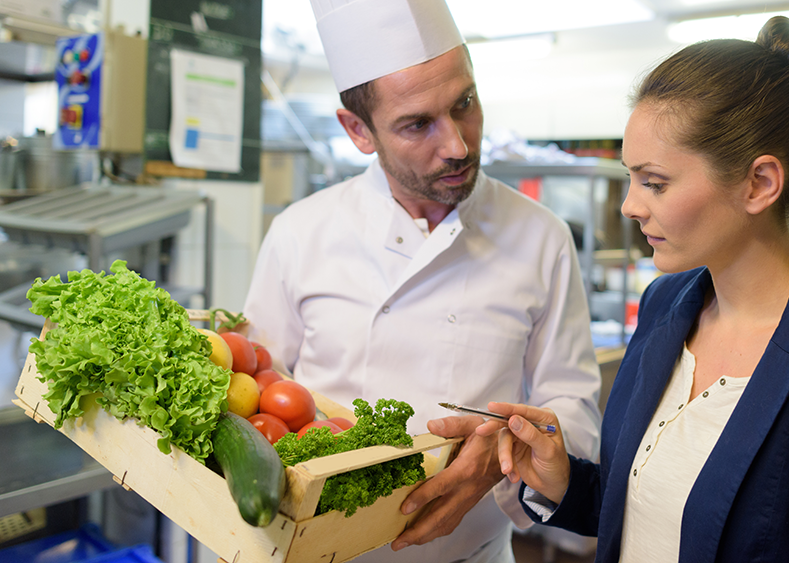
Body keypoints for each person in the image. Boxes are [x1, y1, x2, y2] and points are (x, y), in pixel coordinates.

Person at [476, 15, 789, 563]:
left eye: (655, 183)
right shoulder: (666, 308)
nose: (630, 206)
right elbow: (652, 514)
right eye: (630, 178)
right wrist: (564, 480)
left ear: (759, 183)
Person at [241, 0, 602, 561]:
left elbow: (574, 411)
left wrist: (505, 452)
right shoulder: (299, 234)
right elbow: (257, 397)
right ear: (359, 130)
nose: (457, 144)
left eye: (466, 103)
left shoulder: (541, 237)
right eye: (417, 124)